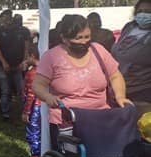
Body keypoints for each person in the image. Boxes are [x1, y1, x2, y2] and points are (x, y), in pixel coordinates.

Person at [32, 14, 132, 149]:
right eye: (78, 38)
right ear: (64, 38)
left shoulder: (98, 50)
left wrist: (120, 95)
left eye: (87, 37)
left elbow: (115, 76)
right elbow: (38, 85)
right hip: (67, 121)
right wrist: (48, 97)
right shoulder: (51, 57)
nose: (84, 42)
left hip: (101, 118)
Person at [0, 9, 30, 121]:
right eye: (6, 16)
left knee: (22, 89)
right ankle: (5, 114)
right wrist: (3, 62)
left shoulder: (23, 31)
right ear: (2, 18)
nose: (9, 19)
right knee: (5, 90)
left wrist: (24, 61)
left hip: (18, 64)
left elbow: (26, 47)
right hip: (2, 66)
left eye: (10, 16)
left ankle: (24, 112)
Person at [112, 0, 151, 105]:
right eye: (140, 11)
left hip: (142, 90)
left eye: (148, 12)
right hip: (118, 86)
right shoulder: (129, 27)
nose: (143, 15)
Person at [16, 44, 42, 157]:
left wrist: (26, 111)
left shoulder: (33, 73)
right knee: (39, 136)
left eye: (27, 56)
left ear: (32, 56)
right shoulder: (44, 70)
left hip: (35, 108)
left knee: (34, 136)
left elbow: (31, 94)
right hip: (42, 106)